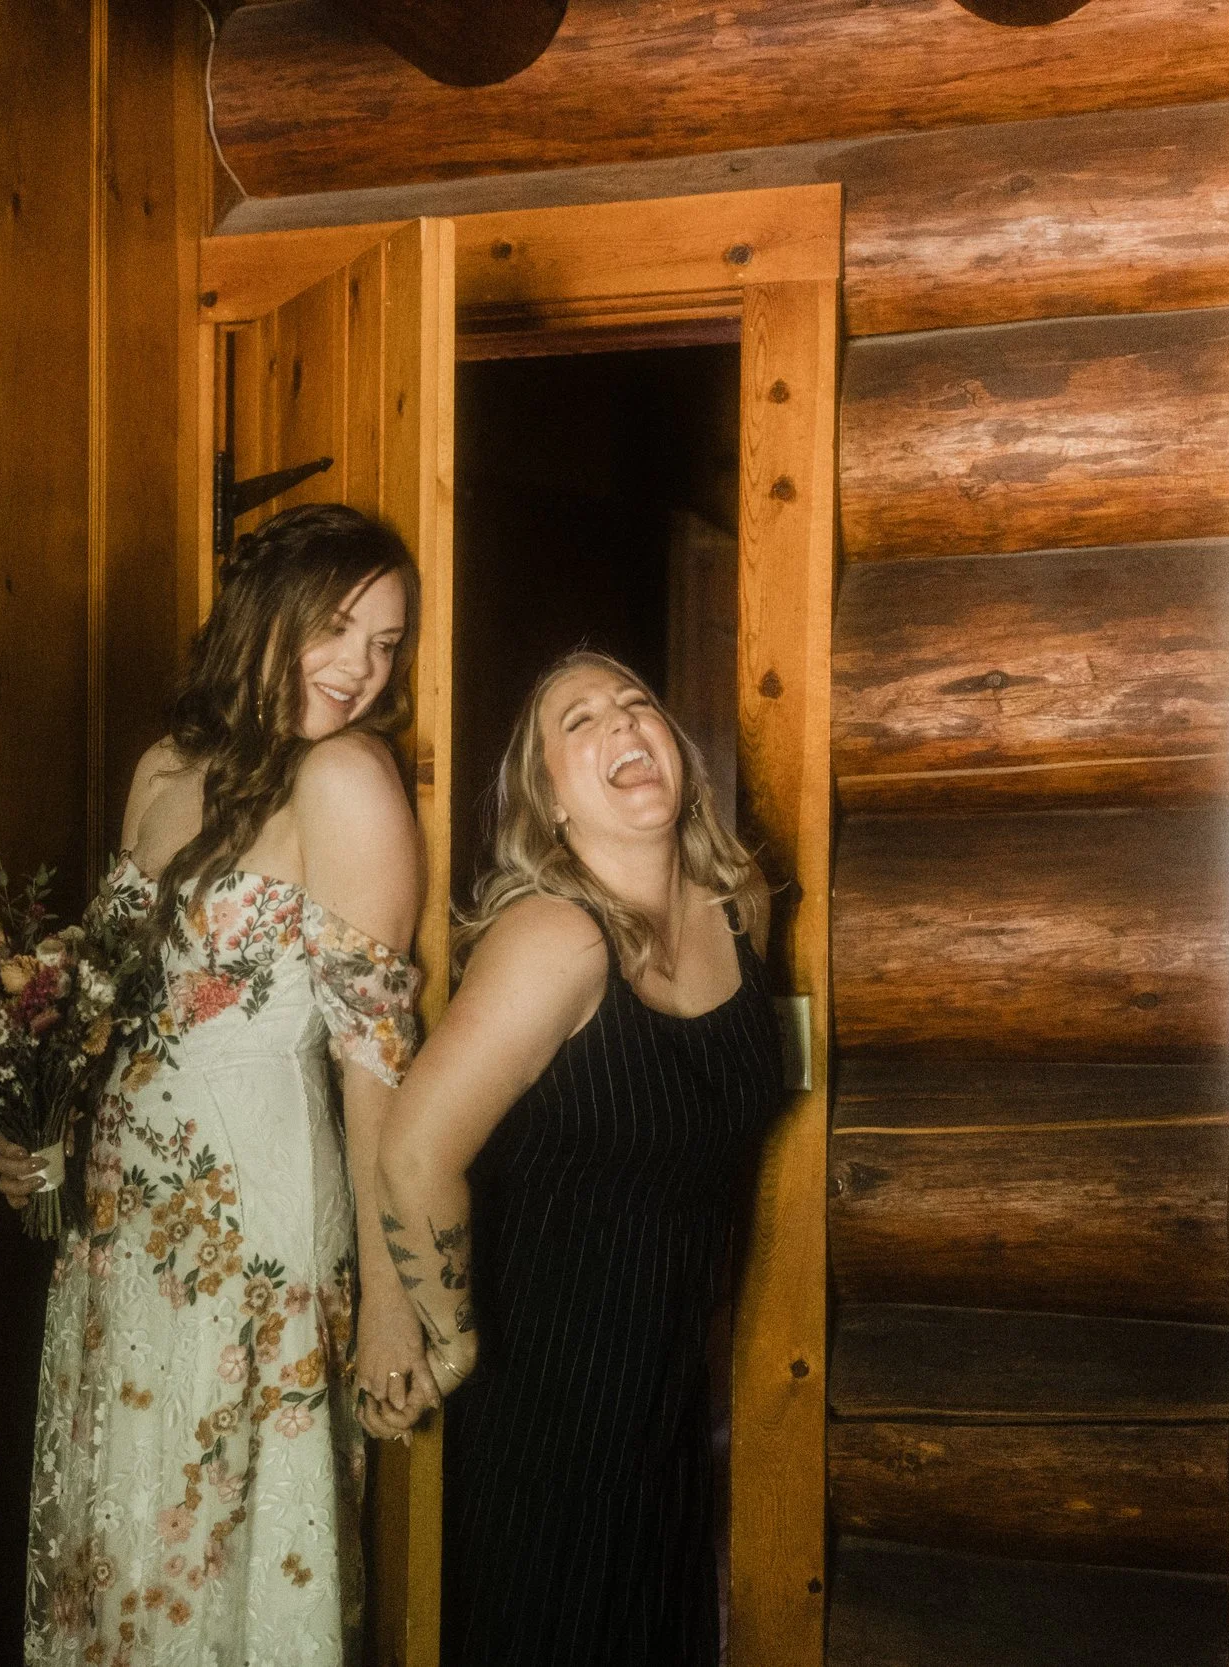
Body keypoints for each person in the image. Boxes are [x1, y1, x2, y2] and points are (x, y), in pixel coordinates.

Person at [0, 503, 432, 1666]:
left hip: (254, 1228)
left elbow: (376, 1055)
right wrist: (43, 1135)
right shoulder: (162, 766)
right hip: (117, 1229)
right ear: (262, 615)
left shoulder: (345, 779)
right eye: (339, 628)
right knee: (122, 1543)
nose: (359, 668)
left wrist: (392, 1297)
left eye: (387, 644)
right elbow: (106, 1011)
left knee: (218, 1558)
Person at [378, 649, 784, 1666]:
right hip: (544, 1399)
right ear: (546, 800)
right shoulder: (553, 938)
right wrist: (452, 1334)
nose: (621, 724)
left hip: (666, 1400)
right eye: (579, 720)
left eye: (636, 702)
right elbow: (416, 1149)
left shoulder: (738, 907)